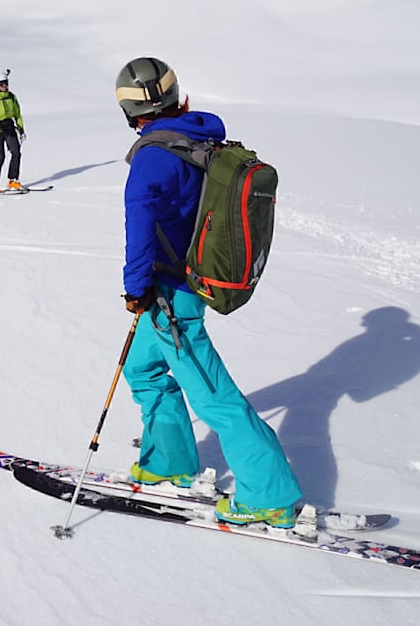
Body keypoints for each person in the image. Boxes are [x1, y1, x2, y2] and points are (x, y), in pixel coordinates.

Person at [115, 56, 303, 528]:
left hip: (171, 291)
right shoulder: (203, 137)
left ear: (130, 113)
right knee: (144, 369)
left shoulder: (152, 159)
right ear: (181, 97)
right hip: (186, 280)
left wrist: (134, 289)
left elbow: (140, 231)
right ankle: (170, 462)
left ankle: (269, 494)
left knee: (213, 394)